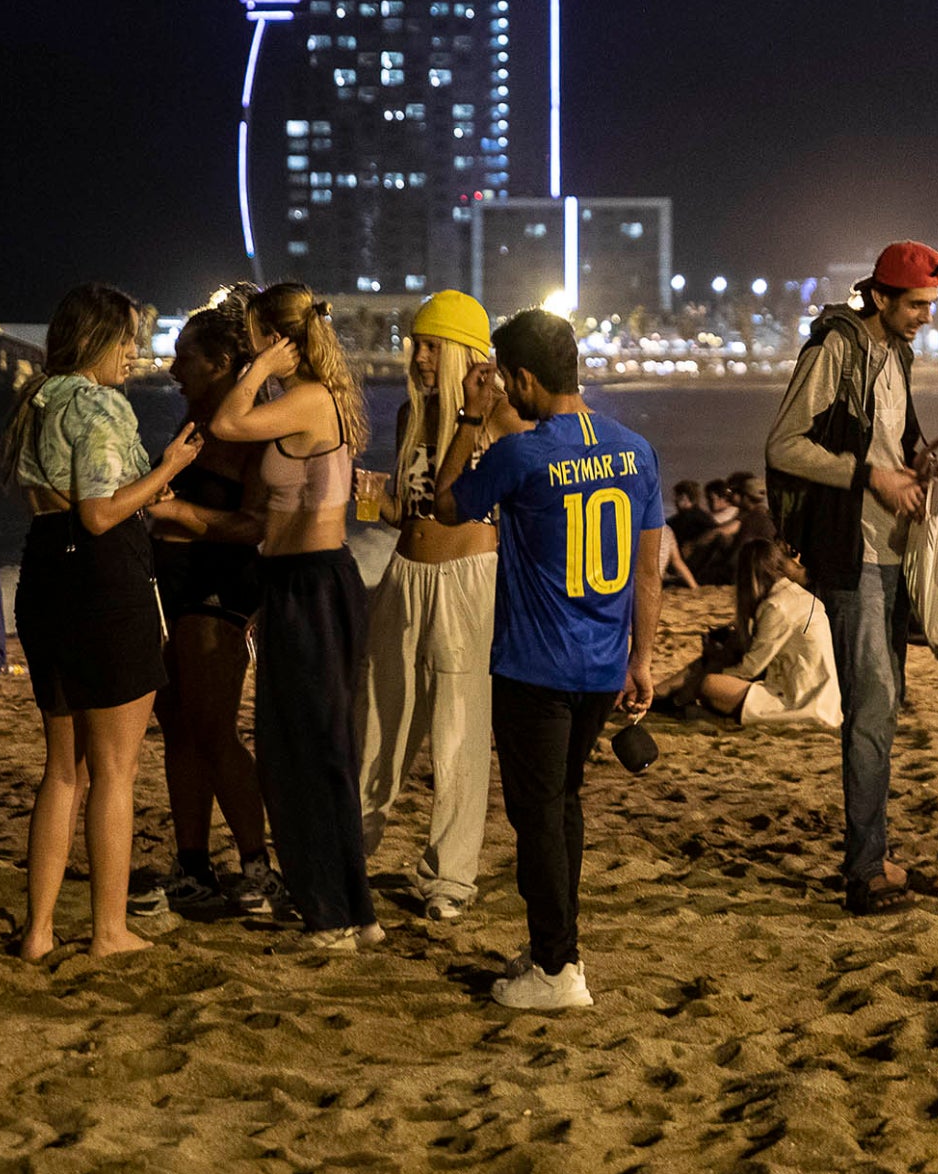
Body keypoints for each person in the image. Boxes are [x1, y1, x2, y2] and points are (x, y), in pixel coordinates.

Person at [437, 309, 664, 1011]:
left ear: (525, 377)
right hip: (603, 666)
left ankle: (557, 967)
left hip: (536, 667)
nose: (505, 390)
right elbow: (648, 569)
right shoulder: (636, 449)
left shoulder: (522, 453)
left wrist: (471, 418)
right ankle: (554, 947)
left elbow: (447, 506)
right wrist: (643, 658)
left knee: (537, 816)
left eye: (507, 379)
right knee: (563, 804)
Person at [3, 283, 201, 959]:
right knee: (115, 770)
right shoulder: (95, 403)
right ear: (95, 341)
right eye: (127, 340)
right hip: (102, 580)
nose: (134, 354)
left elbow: (64, 500)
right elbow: (100, 512)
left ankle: (37, 931)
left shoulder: (35, 398)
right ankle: (109, 930)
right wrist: (169, 467)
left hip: (43, 578)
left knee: (63, 770)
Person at [764, 240, 938, 917]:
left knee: (884, 705)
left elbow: (885, 438)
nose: (926, 316)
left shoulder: (897, 354)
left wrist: (915, 465)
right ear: (880, 297)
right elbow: (783, 444)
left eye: (930, 304)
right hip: (852, 551)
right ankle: (864, 871)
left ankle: (874, 852)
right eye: (917, 304)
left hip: (893, 549)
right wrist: (868, 475)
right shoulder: (833, 350)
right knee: (870, 710)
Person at [208, 281, 379, 945]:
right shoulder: (317, 397)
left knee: (298, 752)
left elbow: (226, 422)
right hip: (304, 584)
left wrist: (256, 372)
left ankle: (335, 912)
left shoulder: (304, 398)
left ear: (276, 337)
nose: (245, 346)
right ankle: (352, 910)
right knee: (321, 748)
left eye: (251, 334)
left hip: (309, 585)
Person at [357, 289, 515, 924]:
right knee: (378, 719)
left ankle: (449, 876)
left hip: (469, 579)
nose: (418, 356)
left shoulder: (500, 417)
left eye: (431, 345)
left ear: (463, 353)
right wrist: (369, 498)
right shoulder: (409, 416)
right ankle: (353, 848)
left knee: (459, 730)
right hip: (404, 575)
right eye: (416, 344)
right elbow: (410, 513)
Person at [141, 291, 273, 916]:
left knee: (216, 729)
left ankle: (258, 865)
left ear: (222, 361)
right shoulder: (190, 421)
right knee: (178, 725)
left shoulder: (249, 433)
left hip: (221, 590)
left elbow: (258, 525)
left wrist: (177, 513)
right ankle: (192, 862)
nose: (173, 370)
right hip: (172, 589)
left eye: (185, 359)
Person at [653, 540, 840, 729]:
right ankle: (661, 695)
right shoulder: (795, 596)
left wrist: (714, 670)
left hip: (801, 700)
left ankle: (665, 697)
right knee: (716, 662)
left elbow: (751, 667)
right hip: (821, 696)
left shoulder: (778, 607)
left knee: (710, 683)